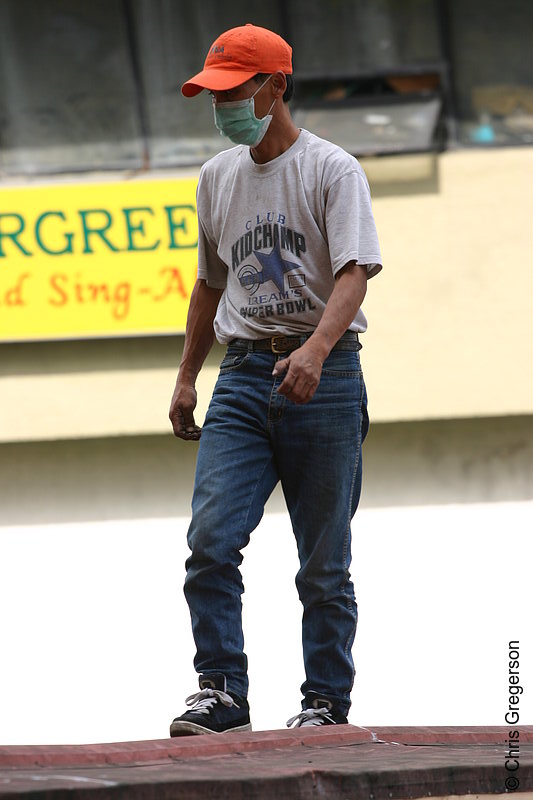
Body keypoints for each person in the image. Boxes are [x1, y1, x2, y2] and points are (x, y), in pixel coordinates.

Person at [168, 23, 382, 736]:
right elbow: (208, 285)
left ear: (274, 87)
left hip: (324, 375)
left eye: (233, 91)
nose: (221, 105)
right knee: (210, 540)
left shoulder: (331, 170)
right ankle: (221, 693)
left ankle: (324, 704)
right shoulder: (216, 177)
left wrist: (317, 350)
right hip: (242, 373)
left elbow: (354, 276)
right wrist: (186, 377)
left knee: (323, 563)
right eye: (212, 93)